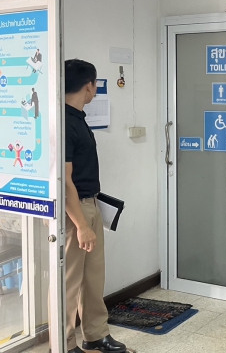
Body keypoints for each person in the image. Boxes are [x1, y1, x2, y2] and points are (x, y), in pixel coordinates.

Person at [64, 59, 127, 353]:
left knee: (93, 277)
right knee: (69, 282)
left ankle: (95, 334)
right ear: (89, 86)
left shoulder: (78, 117)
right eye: (95, 85)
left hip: (91, 204)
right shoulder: (64, 122)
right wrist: (80, 225)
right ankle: (64, 344)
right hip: (74, 212)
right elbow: (64, 181)